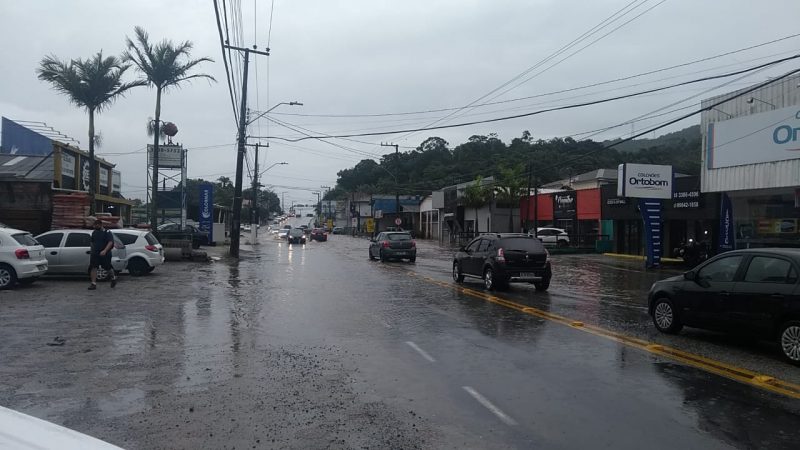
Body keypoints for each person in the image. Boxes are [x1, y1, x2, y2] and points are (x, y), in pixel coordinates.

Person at [89, 219, 117, 290]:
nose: (95, 227)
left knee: (107, 267)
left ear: (100, 225)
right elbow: (92, 242)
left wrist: (105, 250)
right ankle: (93, 284)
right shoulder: (94, 232)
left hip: (105, 253)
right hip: (95, 253)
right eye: (94, 225)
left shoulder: (107, 232)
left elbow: (110, 242)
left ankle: (113, 278)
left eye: (96, 225)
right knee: (93, 267)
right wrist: (92, 250)